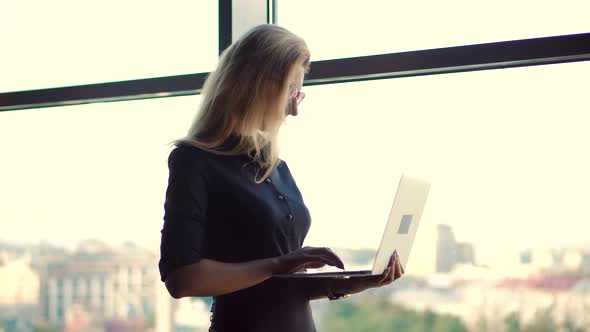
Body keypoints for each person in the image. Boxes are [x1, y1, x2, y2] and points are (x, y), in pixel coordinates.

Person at [158, 24, 404, 332]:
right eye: (292, 91)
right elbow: (182, 278)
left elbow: (282, 286)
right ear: (258, 85)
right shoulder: (193, 161)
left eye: (299, 94)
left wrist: (353, 283)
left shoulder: (277, 168)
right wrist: (279, 263)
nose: (294, 109)